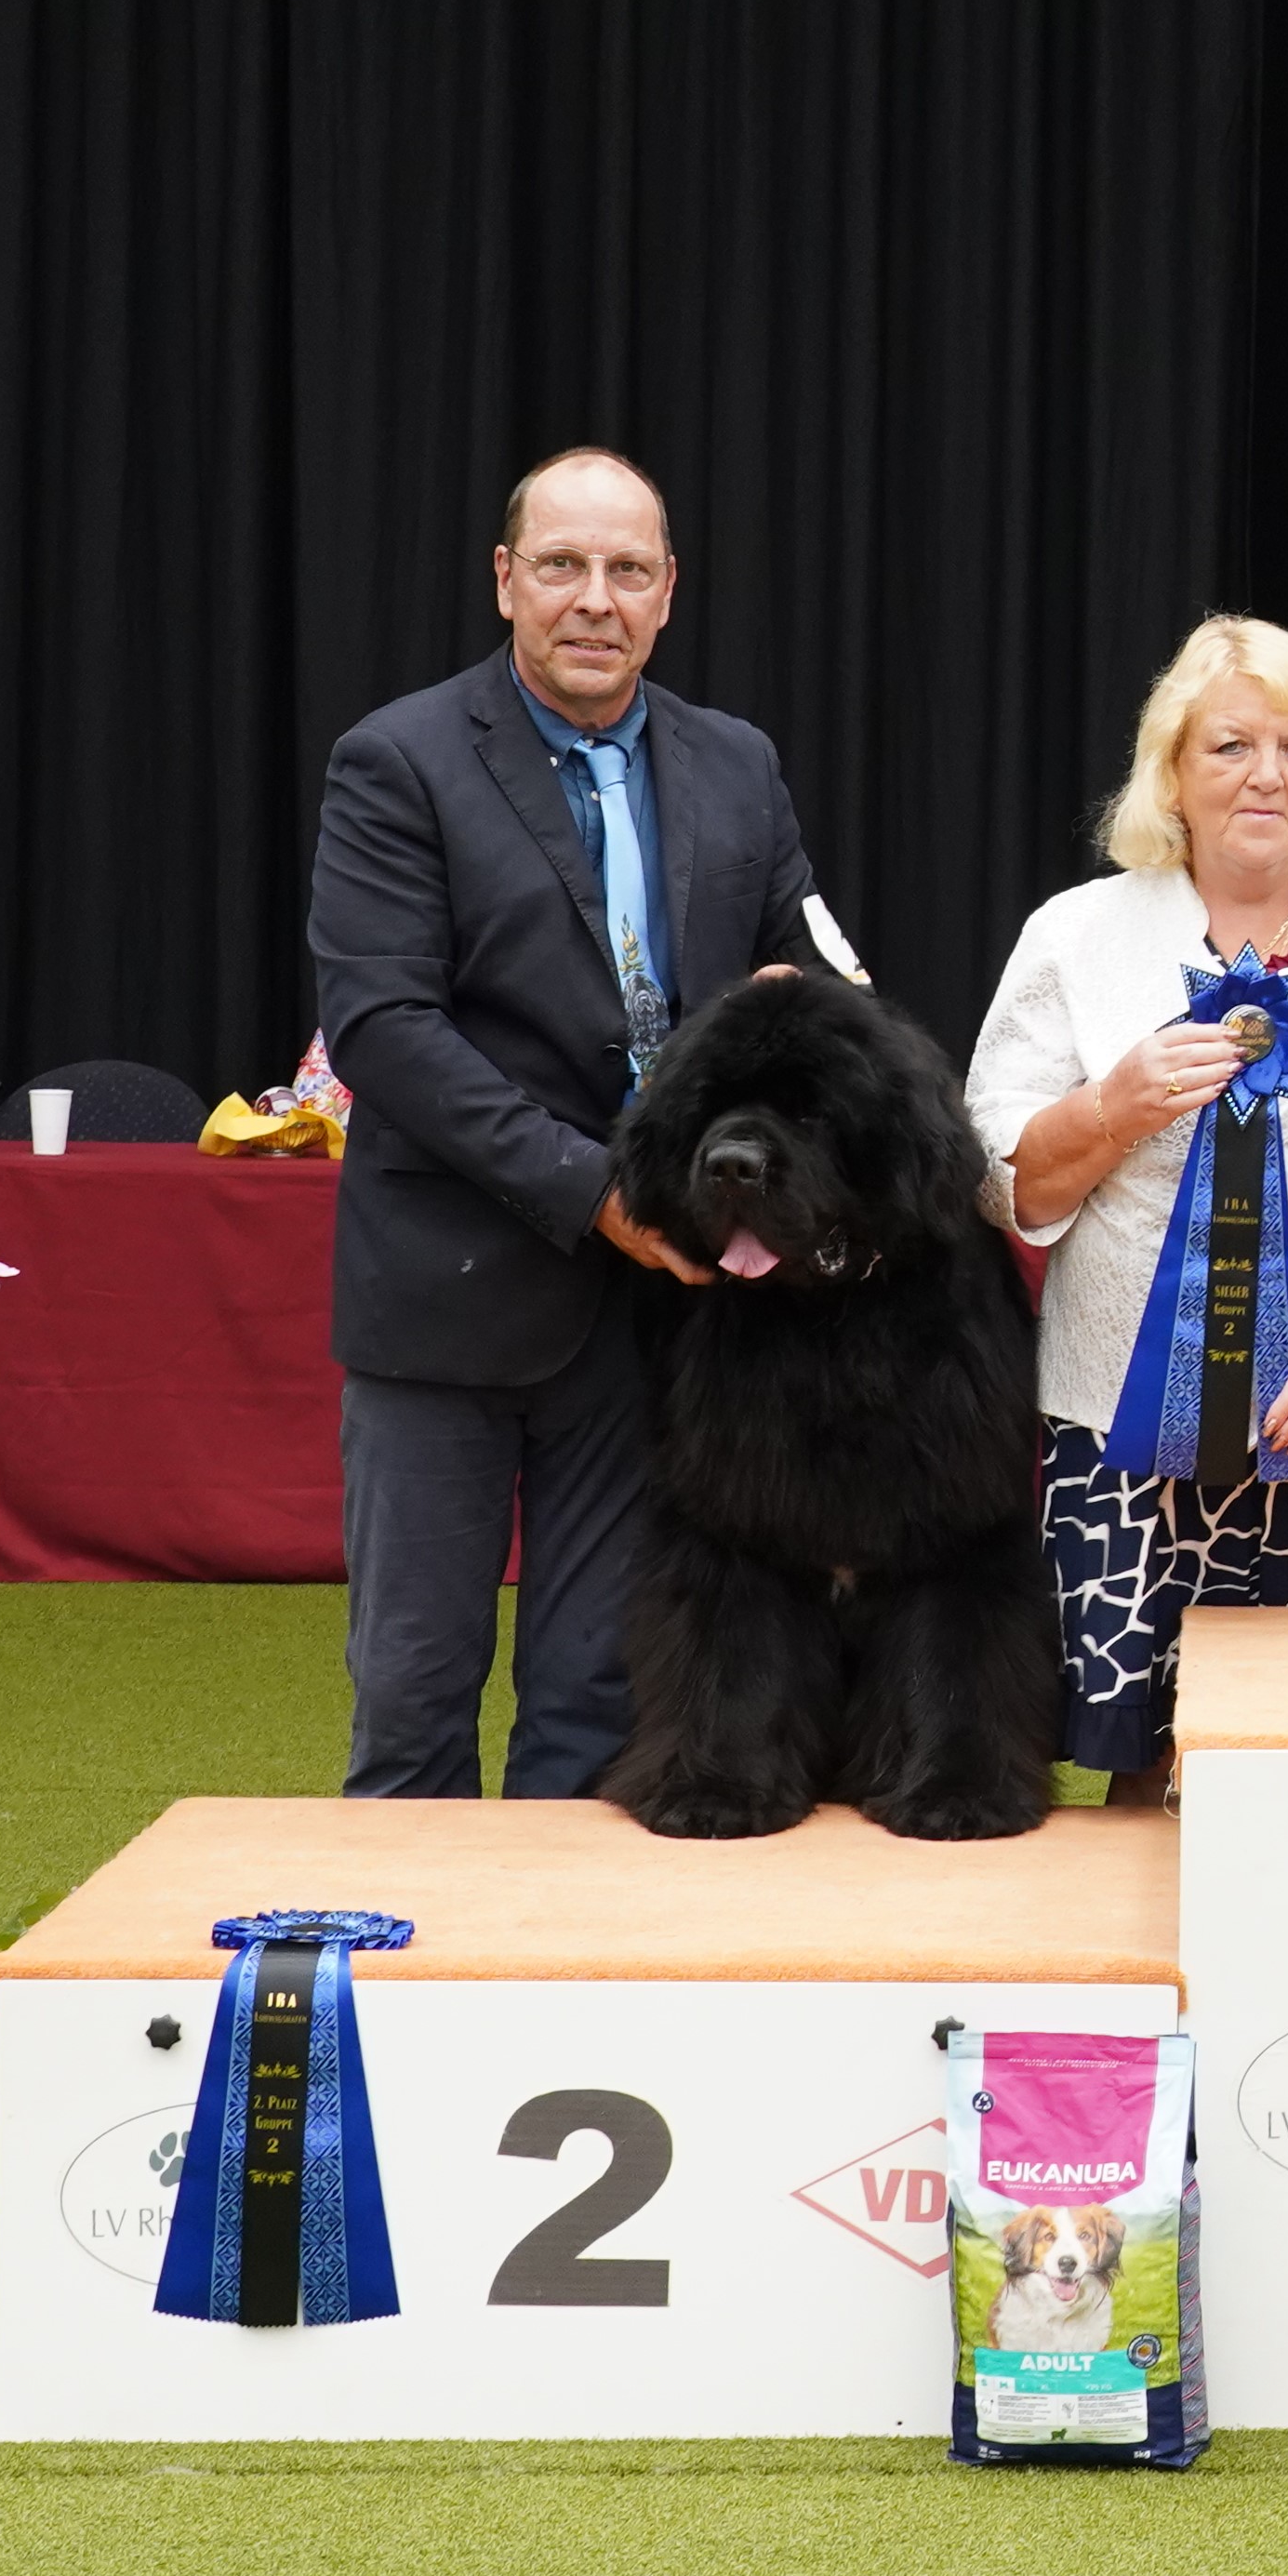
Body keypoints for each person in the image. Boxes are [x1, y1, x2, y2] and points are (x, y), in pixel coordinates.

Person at [309, 445, 820, 1802]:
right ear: (504, 580)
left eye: (627, 570)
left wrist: (819, 1021)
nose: (596, 598)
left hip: (654, 1319)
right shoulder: (398, 759)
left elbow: (805, 970)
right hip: (447, 1305)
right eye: (563, 565)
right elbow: (383, 1028)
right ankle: (408, 1947)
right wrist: (597, 1190)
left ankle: (557, 1945)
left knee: (601, 1698)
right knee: (414, 1690)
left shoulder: (738, 763)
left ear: (669, 592)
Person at [968, 617, 1288, 1799]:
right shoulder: (1075, 934)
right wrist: (1109, 1109)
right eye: (1231, 746)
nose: (1268, 775)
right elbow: (1000, 1179)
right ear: (1171, 773)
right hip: (1124, 1432)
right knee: (1142, 1779)